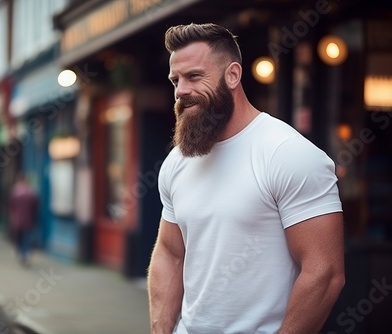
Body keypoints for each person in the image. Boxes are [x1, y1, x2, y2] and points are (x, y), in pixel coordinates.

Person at [147, 23, 345, 334]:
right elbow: (171, 253)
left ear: (233, 75)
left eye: (194, 76)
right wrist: (161, 329)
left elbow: (325, 272)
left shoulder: (287, 153)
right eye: (176, 80)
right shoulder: (177, 161)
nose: (181, 90)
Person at [8, 174, 39, 266]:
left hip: (17, 219)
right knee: (27, 238)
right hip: (28, 219)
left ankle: (21, 253)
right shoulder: (31, 192)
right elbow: (35, 207)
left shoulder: (14, 192)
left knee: (19, 237)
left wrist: (11, 218)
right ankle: (26, 254)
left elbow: (10, 206)